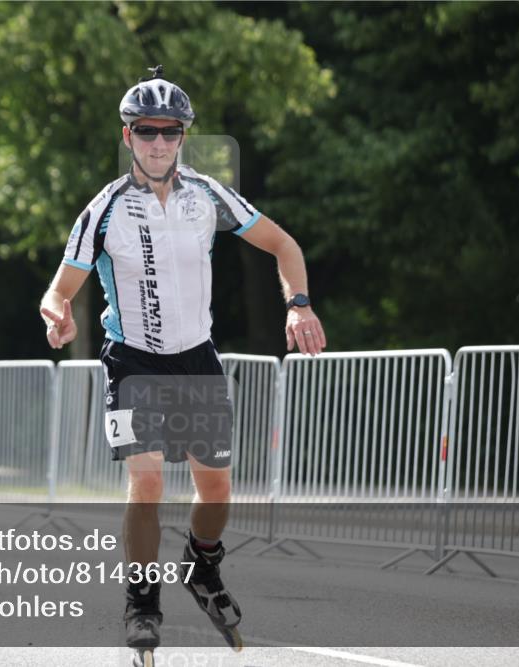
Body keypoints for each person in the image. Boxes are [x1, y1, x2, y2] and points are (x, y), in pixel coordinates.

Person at [39, 65, 326, 656]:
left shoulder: (206, 195)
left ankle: (202, 565)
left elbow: (284, 244)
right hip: (133, 362)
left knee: (217, 490)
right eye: (148, 132)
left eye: (171, 133)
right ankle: (142, 602)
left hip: (196, 358)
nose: (160, 144)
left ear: (183, 138)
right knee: (146, 482)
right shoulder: (105, 209)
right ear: (128, 138)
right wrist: (57, 313)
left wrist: (297, 304)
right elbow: (58, 288)